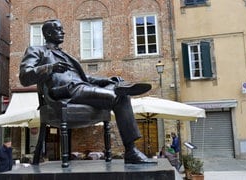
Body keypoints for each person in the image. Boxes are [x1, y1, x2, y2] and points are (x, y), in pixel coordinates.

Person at [19, 19, 154, 164]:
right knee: (118, 96)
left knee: (121, 94)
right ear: (48, 33)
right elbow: (24, 77)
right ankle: (131, 151)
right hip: (63, 92)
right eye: (59, 29)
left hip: (79, 87)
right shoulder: (37, 50)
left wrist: (106, 80)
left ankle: (117, 87)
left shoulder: (66, 56)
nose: (63, 32)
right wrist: (50, 68)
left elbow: (84, 78)